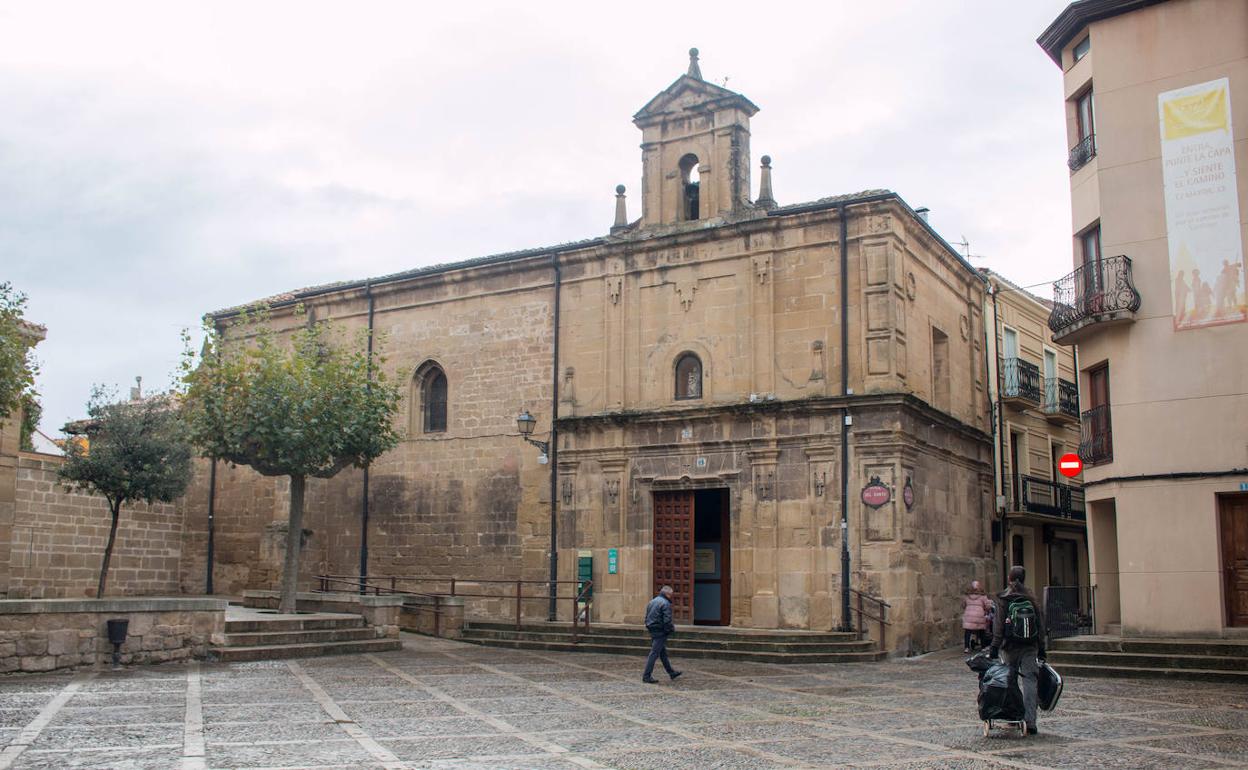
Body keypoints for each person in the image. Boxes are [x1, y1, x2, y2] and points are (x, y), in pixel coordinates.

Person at [990, 565, 1047, 735]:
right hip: (1030, 646)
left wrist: (994, 646)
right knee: (1030, 681)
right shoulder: (1031, 598)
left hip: (1010, 646)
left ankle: (1013, 718)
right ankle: (1030, 721)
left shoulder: (1004, 598)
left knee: (1010, 681)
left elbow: (998, 625)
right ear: (1024, 579)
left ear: (1009, 578)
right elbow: (1040, 625)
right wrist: (1042, 648)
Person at [642, 585, 682, 683]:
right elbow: (667, 620)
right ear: (667, 594)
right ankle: (646, 676)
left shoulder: (652, 601)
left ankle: (671, 672)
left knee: (662, 653)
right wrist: (670, 630)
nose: (671, 597)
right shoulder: (665, 603)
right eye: (671, 595)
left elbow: (647, 616)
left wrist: (648, 625)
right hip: (660, 631)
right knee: (654, 653)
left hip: (652, 628)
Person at [961, 580, 993, 653]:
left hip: (968, 616)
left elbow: (963, 605)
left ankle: (966, 647)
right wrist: (986, 608)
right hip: (979, 616)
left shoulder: (967, 596)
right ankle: (983, 646)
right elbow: (987, 606)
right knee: (981, 631)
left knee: (967, 631)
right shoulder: (983, 596)